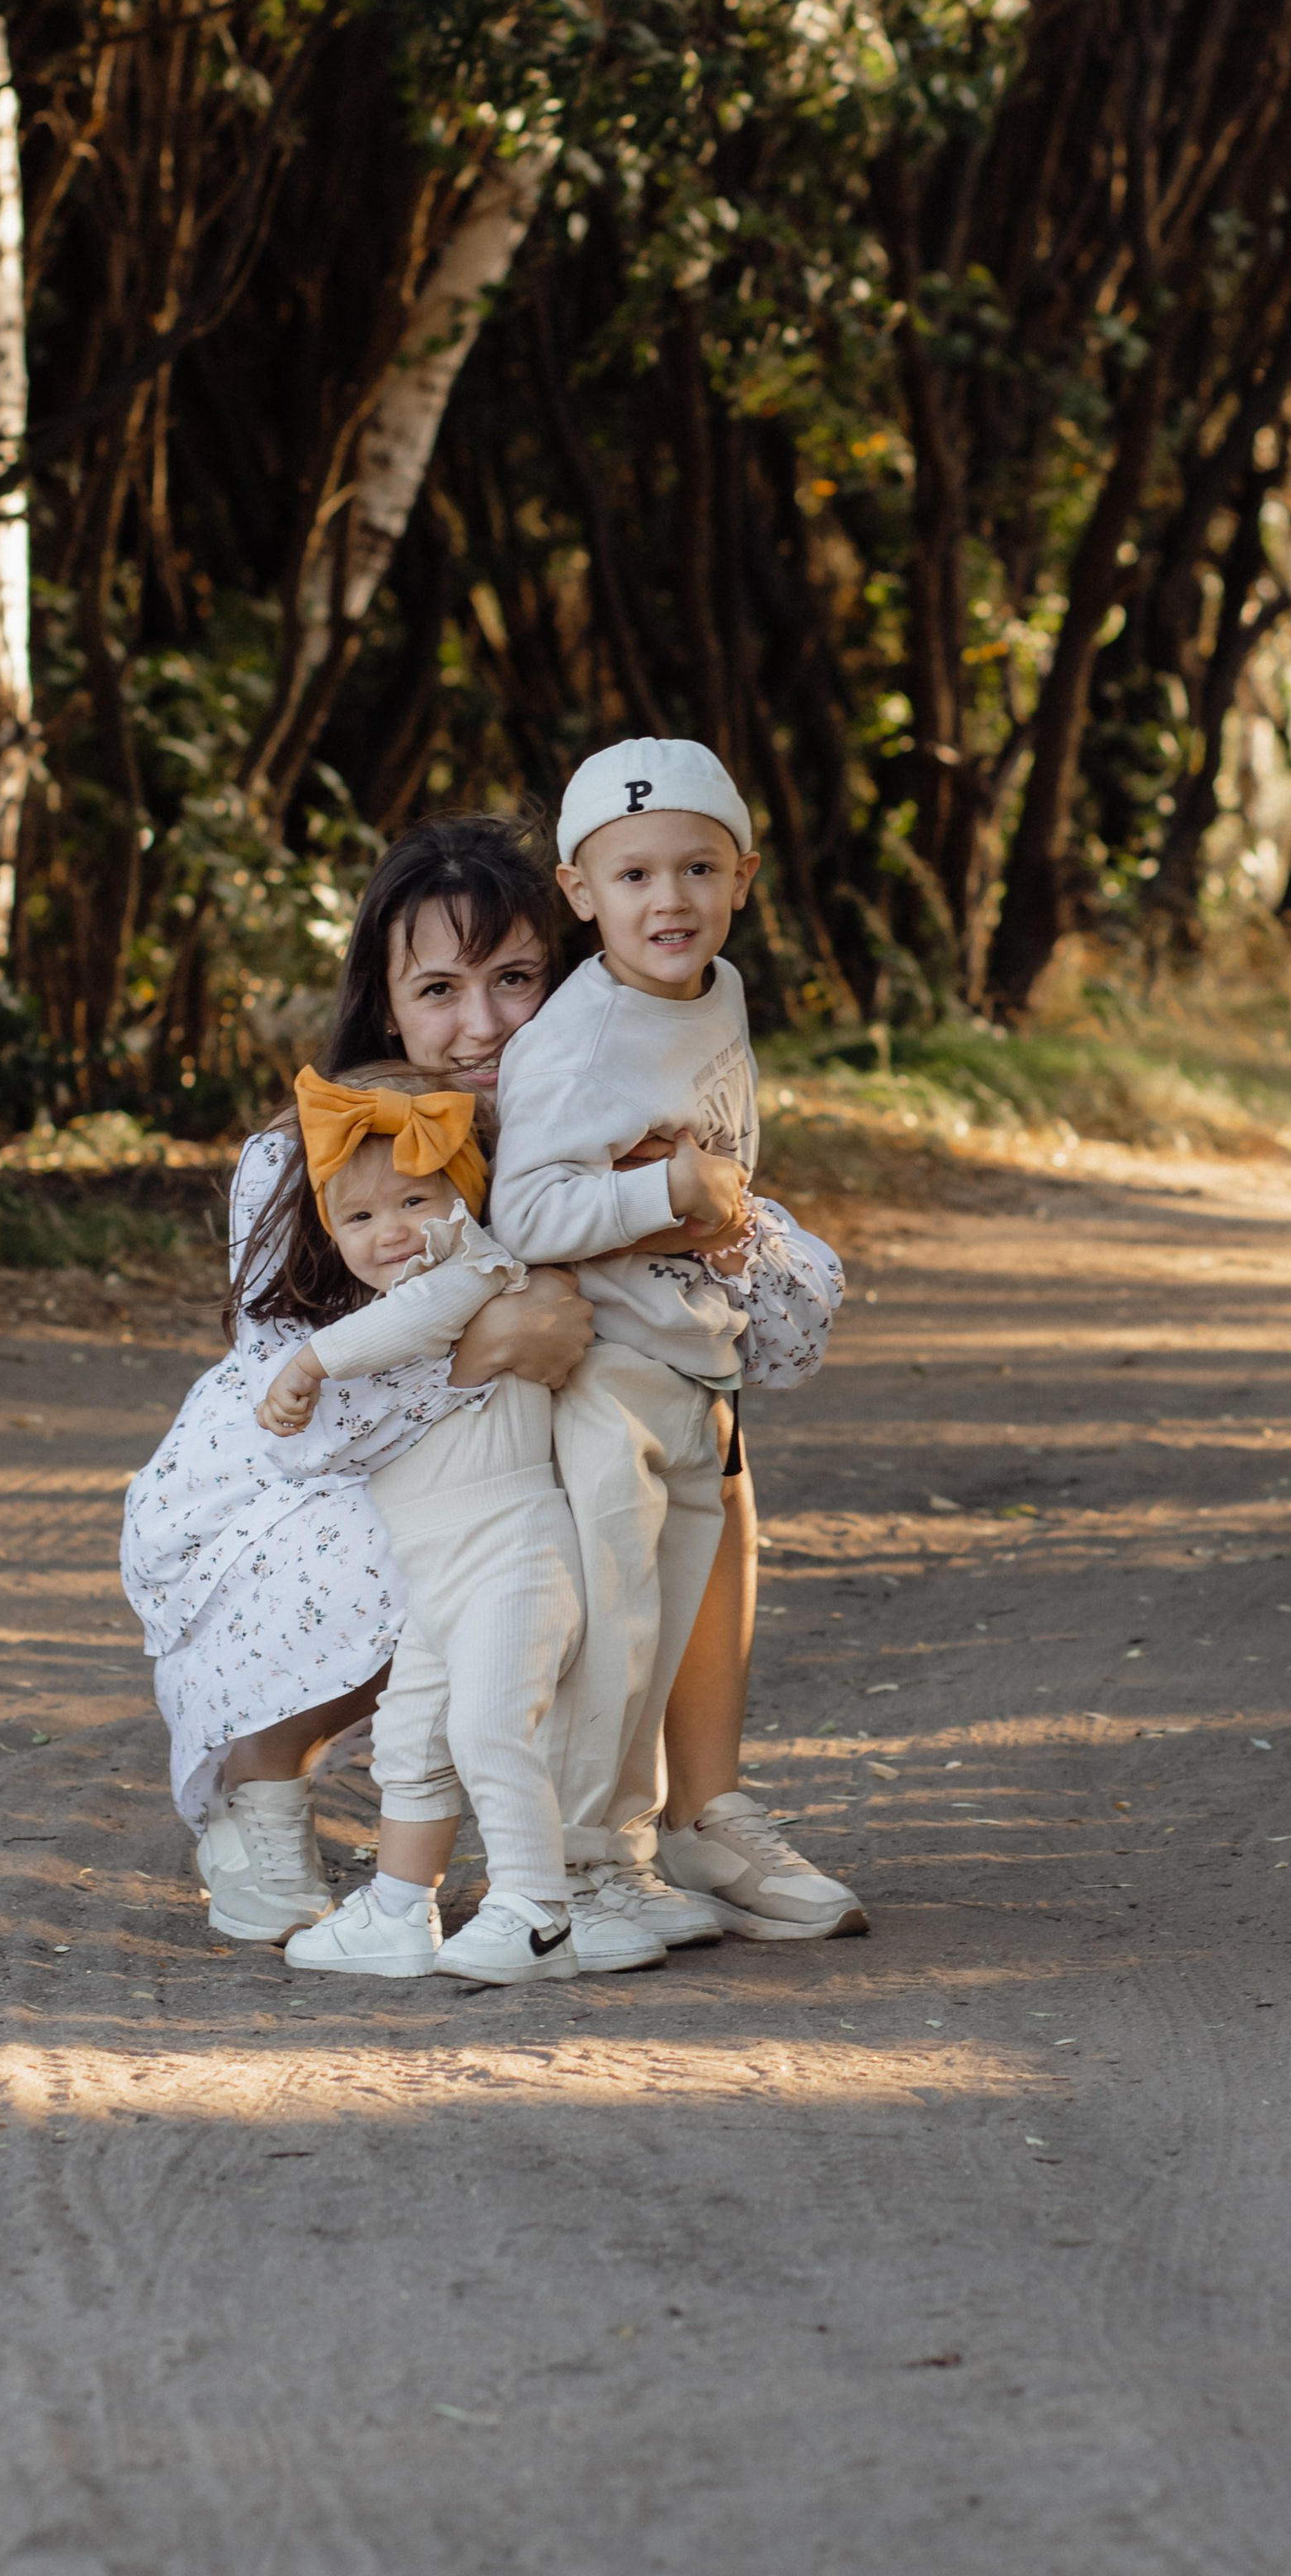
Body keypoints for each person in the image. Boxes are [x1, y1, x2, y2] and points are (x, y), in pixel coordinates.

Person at [121, 810, 858, 1948]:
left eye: (515, 979)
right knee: (481, 1518)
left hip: (524, 1471)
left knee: (693, 1425)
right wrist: (492, 1344)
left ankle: (694, 1816)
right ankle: (263, 1771)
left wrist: (713, 1216)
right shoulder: (310, 1154)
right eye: (439, 990)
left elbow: (786, 1344)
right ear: (385, 1003)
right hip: (327, 1490)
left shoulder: (609, 1122)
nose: (484, 1026)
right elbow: (288, 1418)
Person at [488, 738, 866, 1943]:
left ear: (744, 878)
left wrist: (713, 1217)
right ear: (579, 891)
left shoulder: (719, 990)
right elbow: (526, 1212)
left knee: (670, 1618)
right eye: (636, 874)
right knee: (610, 1627)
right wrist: (671, 1194)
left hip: (691, 1357)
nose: (672, 900)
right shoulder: (577, 1037)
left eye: (699, 868)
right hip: (606, 1366)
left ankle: (664, 1843)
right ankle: (581, 1870)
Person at [251, 1069, 597, 1985]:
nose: (392, 1231)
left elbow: (417, 1319)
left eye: (415, 1200)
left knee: (490, 1726)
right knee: (408, 1737)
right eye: (360, 1217)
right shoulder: (380, 1317)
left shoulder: (475, 1269)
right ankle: (401, 1912)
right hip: (437, 1575)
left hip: (513, 1553)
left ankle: (536, 1908)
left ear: (462, 1198)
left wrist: (310, 1363)